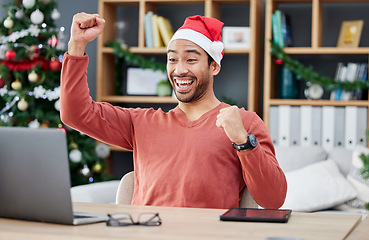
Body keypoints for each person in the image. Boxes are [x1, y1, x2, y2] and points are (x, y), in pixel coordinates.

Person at [61, 12, 287, 209]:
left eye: (191, 59)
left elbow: (273, 198)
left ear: (214, 66)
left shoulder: (243, 123)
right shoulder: (141, 122)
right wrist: (77, 46)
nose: (180, 70)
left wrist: (243, 142)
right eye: (172, 59)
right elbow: (75, 113)